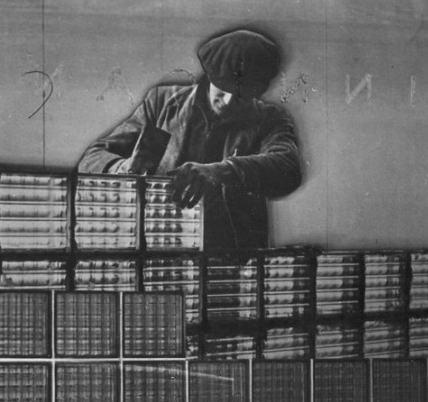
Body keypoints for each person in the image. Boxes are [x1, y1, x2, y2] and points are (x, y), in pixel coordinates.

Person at [77, 28, 302, 250]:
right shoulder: (161, 102)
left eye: (244, 95)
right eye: (223, 90)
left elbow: (288, 168)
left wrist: (221, 171)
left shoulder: (270, 119)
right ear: (209, 77)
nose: (230, 100)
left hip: (232, 254)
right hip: (161, 245)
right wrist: (122, 167)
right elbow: (92, 158)